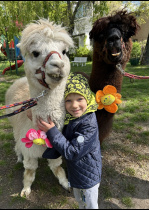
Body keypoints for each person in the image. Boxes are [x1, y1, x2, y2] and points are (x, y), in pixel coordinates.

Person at [37, 72, 102, 209]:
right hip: (77, 173)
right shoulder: (71, 117)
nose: (74, 105)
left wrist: (52, 131)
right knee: (80, 201)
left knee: (90, 205)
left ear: (87, 98)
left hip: (88, 178)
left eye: (79, 99)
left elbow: (72, 152)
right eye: (68, 100)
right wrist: (35, 113)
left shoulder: (88, 124)